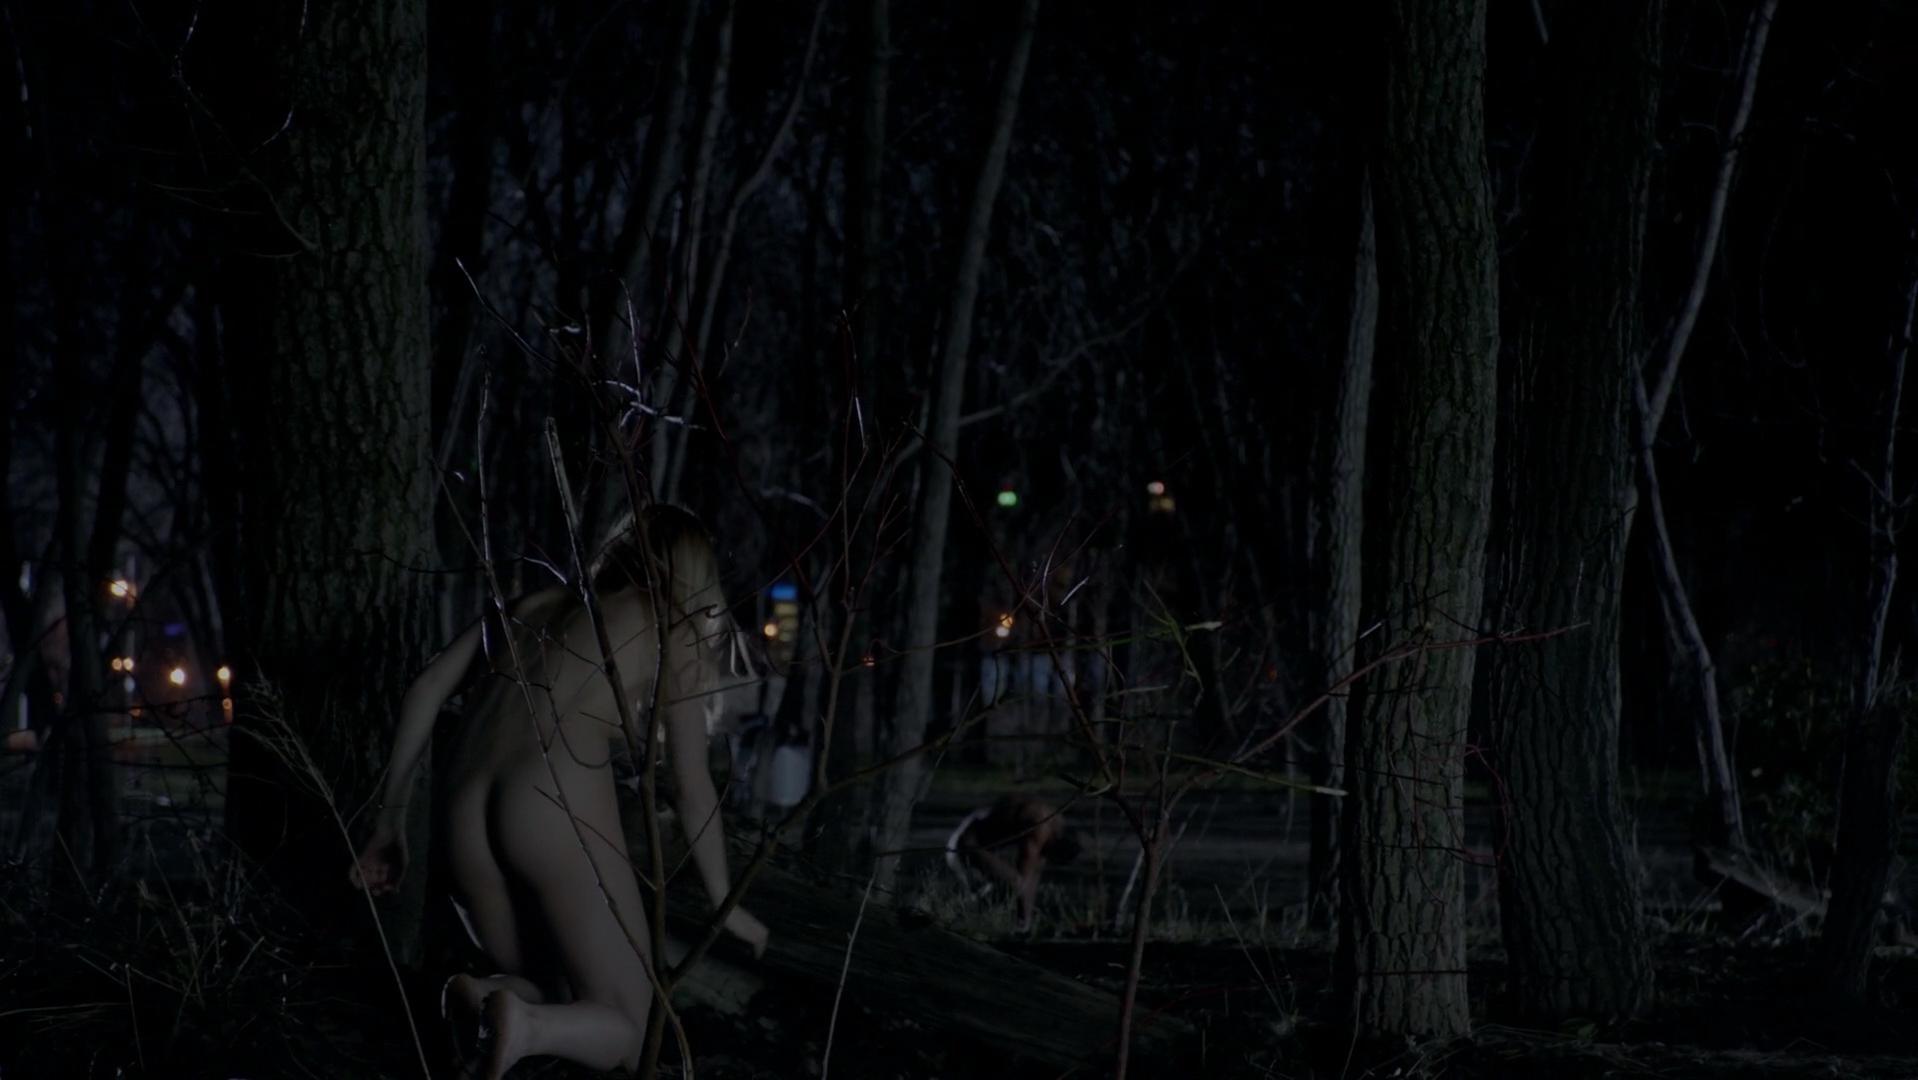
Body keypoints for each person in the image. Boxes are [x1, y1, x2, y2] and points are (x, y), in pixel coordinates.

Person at [350, 505, 769, 1078]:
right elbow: (691, 785)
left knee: (552, 983)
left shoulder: (531, 606)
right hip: (547, 803)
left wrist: (390, 821)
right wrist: (726, 902)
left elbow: (425, 688)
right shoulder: (672, 630)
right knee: (631, 1026)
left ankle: (482, 996)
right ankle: (527, 1027)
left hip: (460, 808)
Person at [945, 795, 1082, 932]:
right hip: (965, 842)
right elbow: (1023, 881)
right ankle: (962, 913)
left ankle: (1008, 921)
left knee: (1014, 885)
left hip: (981, 841)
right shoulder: (1040, 827)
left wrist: (1027, 922)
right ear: (1055, 843)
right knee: (1014, 882)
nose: (1046, 859)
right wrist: (1023, 922)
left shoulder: (1055, 824)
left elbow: (1033, 876)